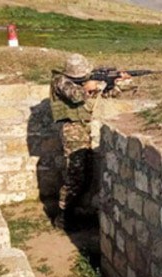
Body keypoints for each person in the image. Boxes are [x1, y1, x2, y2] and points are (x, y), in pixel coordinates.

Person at [49, 53, 129, 229]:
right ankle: (63, 217)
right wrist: (93, 86)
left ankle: (78, 212)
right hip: (72, 130)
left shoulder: (82, 81)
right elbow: (76, 96)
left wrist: (112, 83)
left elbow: (107, 97)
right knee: (75, 175)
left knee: (88, 173)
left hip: (86, 128)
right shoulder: (60, 80)